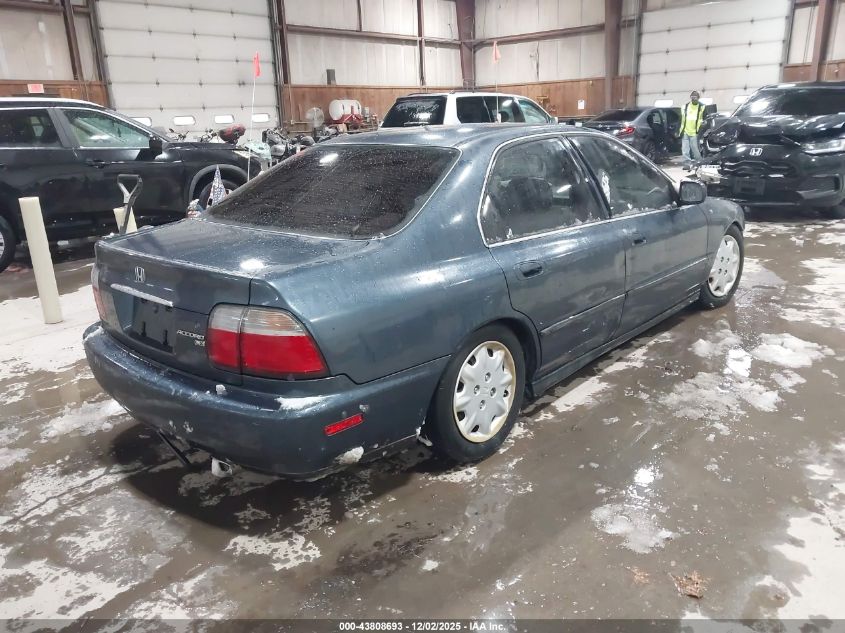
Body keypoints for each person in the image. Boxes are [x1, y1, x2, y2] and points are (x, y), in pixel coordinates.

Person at [679, 91, 706, 164]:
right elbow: (682, 119)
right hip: (685, 131)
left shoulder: (702, 107)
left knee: (695, 149)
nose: (693, 99)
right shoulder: (685, 106)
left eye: (695, 97)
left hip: (695, 132)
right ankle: (687, 163)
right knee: (685, 150)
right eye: (692, 97)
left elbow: (705, 118)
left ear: (698, 98)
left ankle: (699, 161)